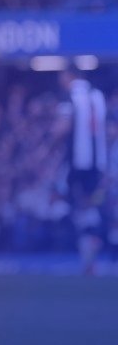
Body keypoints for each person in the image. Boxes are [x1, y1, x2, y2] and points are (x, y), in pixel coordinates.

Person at [59, 69, 108, 274]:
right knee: (90, 208)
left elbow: (62, 127)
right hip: (97, 164)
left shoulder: (70, 96)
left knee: (77, 207)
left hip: (77, 163)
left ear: (69, 76)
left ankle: (88, 255)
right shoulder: (98, 96)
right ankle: (90, 257)